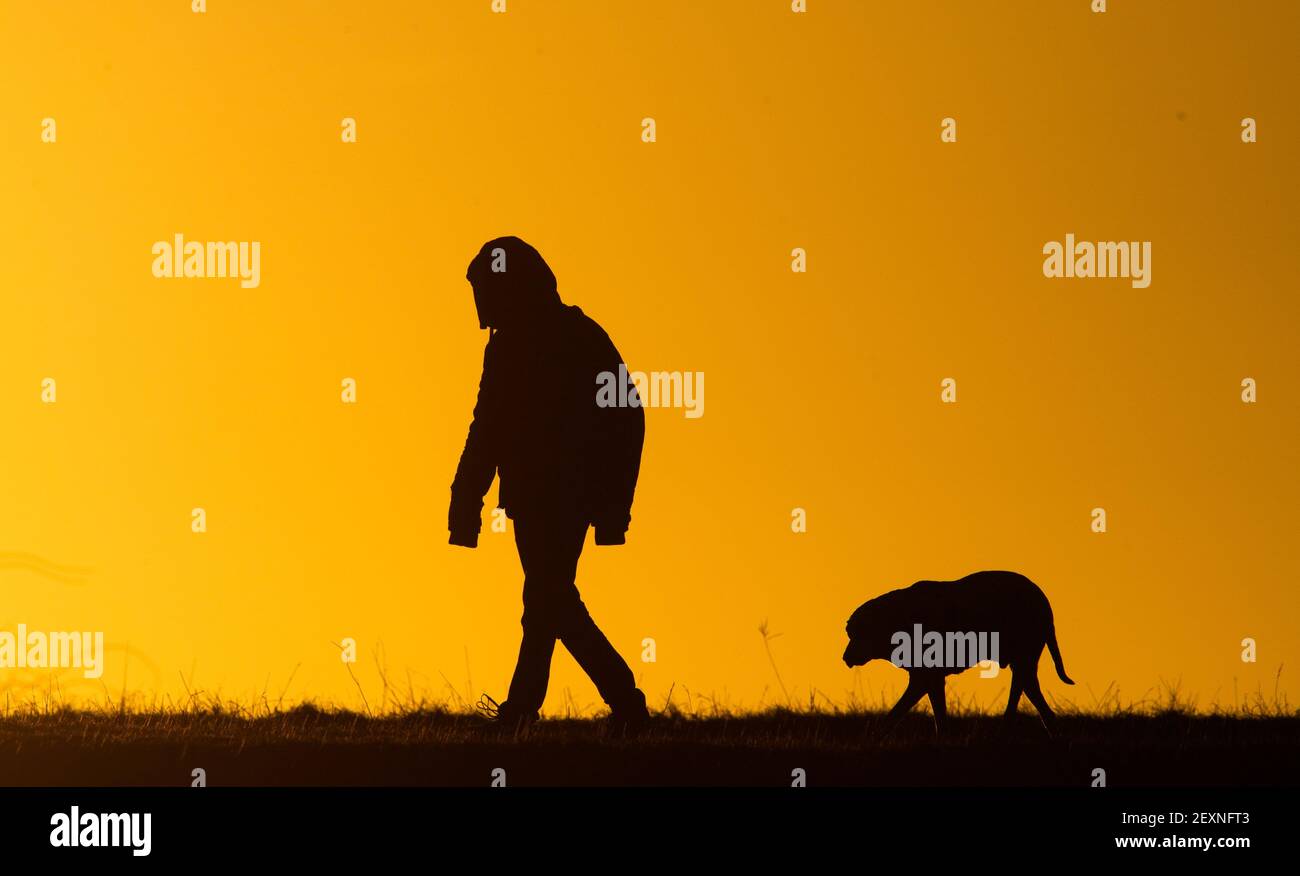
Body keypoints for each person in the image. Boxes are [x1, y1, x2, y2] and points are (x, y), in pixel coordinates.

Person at [448, 236, 650, 732]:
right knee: (549, 601)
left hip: (570, 496)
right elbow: (488, 426)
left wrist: (612, 506)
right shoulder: (505, 348)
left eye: (487, 292)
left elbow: (627, 418)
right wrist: (465, 501)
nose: (482, 307)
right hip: (528, 499)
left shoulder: (578, 338)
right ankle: (614, 702)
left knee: (546, 599)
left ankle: (540, 709)